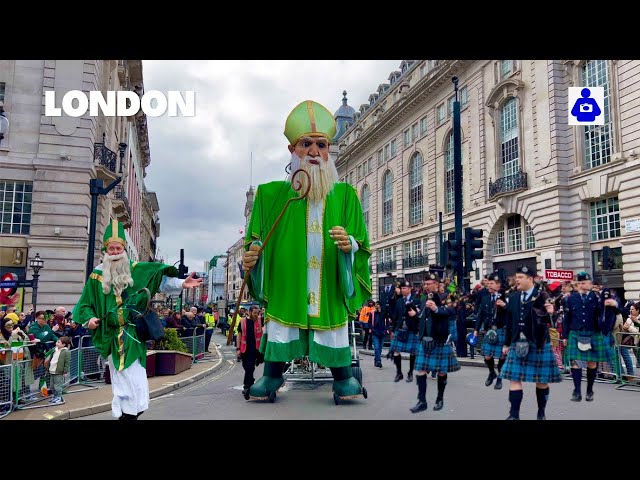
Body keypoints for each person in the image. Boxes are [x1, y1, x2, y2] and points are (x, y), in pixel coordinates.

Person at [242, 100, 371, 401]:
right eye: (306, 144)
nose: (315, 152)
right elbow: (256, 239)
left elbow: (361, 242)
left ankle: (344, 379)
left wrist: (347, 244)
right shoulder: (270, 194)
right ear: (292, 150)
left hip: (328, 277)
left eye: (321, 145)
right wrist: (253, 255)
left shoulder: (346, 195)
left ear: (329, 151)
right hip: (289, 281)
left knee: (333, 327)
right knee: (282, 326)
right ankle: (271, 376)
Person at [73, 220, 202, 420]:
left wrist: (182, 283)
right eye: (111, 248)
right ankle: (126, 415)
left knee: (135, 380)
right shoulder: (96, 275)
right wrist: (89, 319)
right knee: (121, 379)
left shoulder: (137, 269)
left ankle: (130, 414)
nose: (115, 251)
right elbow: (84, 305)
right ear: (105, 249)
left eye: (118, 248)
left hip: (133, 333)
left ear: (124, 249)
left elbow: (161, 279)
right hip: (110, 334)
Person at [501, 266, 561, 420]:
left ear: (530, 279)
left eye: (520, 277)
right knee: (514, 379)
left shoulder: (543, 296)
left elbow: (551, 322)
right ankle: (513, 415)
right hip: (517, 342)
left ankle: (541, 412)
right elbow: (509, 322)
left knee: (541, 381)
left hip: (538, 343)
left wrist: (551, 313)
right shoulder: (513, 297)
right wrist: (506, 344)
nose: (517, 280)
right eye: (516, 277)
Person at [562, 272, 618, 402]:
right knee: (576, 362)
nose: (581, 285)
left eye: (584, 283)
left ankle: (589, 390)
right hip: (576, 332)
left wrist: (613, 305)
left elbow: (608, 312)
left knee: (592, 363)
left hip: (593, 332)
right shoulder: (571, 299)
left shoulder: (598, 298)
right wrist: (564, 335)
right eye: (579, 283)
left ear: (590, 284)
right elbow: (567, 318)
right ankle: (576, 391)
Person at [411, 272, 459, 413]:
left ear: (437, 284)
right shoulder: (424, 297)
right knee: (420, 371)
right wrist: (416, 317)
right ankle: (422, 401)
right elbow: (423, 317)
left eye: (428, 284)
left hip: (440, 339)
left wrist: (437, 309)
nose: (426, 286)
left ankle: (439, 398)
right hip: (426, 339)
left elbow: (452, 311)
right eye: (424, 284)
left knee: (442, 372)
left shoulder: (448, 296)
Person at [474, 273, 508, 390]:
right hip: (489, 330)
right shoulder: (485, 298)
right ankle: (491, 372)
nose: (489, 286)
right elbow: (480, 315)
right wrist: (476, 329)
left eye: (492, 284)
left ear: (498, 285)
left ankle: (500, 378)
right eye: (488, 284)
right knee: (487, 355)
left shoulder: (505, 297)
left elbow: (512, 312)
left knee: (502, 357)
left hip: (501, 329)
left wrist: (504, 305)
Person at [237, 306, 264, 397]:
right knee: (247, 366)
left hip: (256, 349)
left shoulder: (261, 320)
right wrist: (238, 348)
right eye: (255, 313)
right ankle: (251, 381)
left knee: (249, 367)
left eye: (258, 312)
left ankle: (247, 387)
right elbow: (239, 335)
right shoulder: (243, 321)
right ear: (249, 312)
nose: (257, 314)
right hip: (245, 348)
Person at [44, 336, 71, 405]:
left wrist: (65, 371)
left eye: (59, 342)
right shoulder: (54, 349)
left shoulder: (66, 352)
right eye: (57, 341)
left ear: (64, 344)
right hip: (52, 370)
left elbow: (67, 362)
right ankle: (55, 396)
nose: (56, 343)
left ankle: (59, 397)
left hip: (59, 371)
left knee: (57, 386)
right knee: (52, 386)